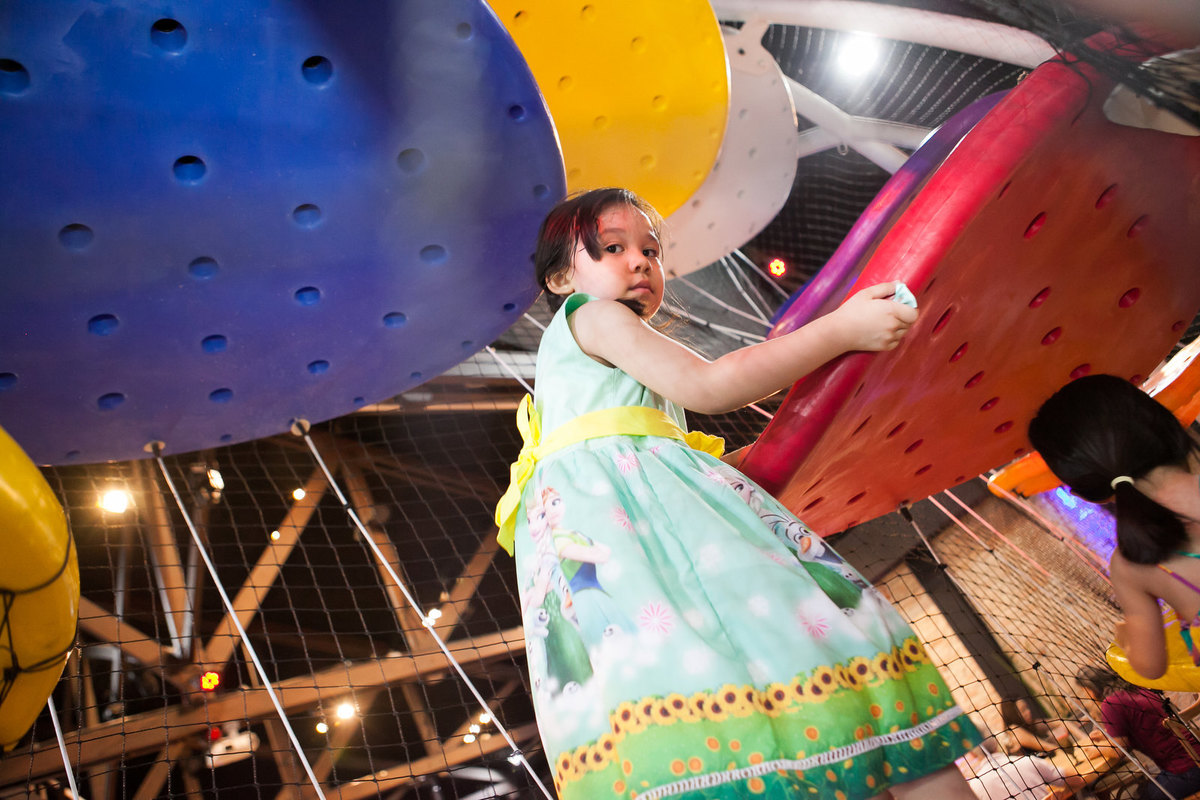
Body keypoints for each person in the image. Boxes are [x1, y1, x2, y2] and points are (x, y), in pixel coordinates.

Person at [493, 187, 981, 799]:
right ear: (564, 276)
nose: (641, 261)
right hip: (658, 556)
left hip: (637, 567)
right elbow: (711, 384)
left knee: (751, 707)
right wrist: (842, 330)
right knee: (820, 649)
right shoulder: (592, 315)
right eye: (614, 248)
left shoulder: (604, 391)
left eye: (652, 248)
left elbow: (668, 434)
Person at [1028, 374, 1200, 681]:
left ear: (1084, 488)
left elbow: (1150, 666)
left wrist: (1128, 636)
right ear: (1163, 421)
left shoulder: (1130, 564)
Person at [1077, 664, 1200, 800]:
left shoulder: (1110, 704)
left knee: (1140, 796)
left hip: (1187, 771)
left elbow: (1118, 750)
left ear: (1090, 690)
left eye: (1084, 691)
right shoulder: (1134, 688)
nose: (1086, 696)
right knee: (1144, 790)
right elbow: (1138, 728)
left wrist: (1095, 750)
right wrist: (1106, 735)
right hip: (1195, 754)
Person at [961, 735, 1084, 800]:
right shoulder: (1026, 761)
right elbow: (1077, 779)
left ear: (972, 754)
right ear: (997, 742)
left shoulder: (974, 788)